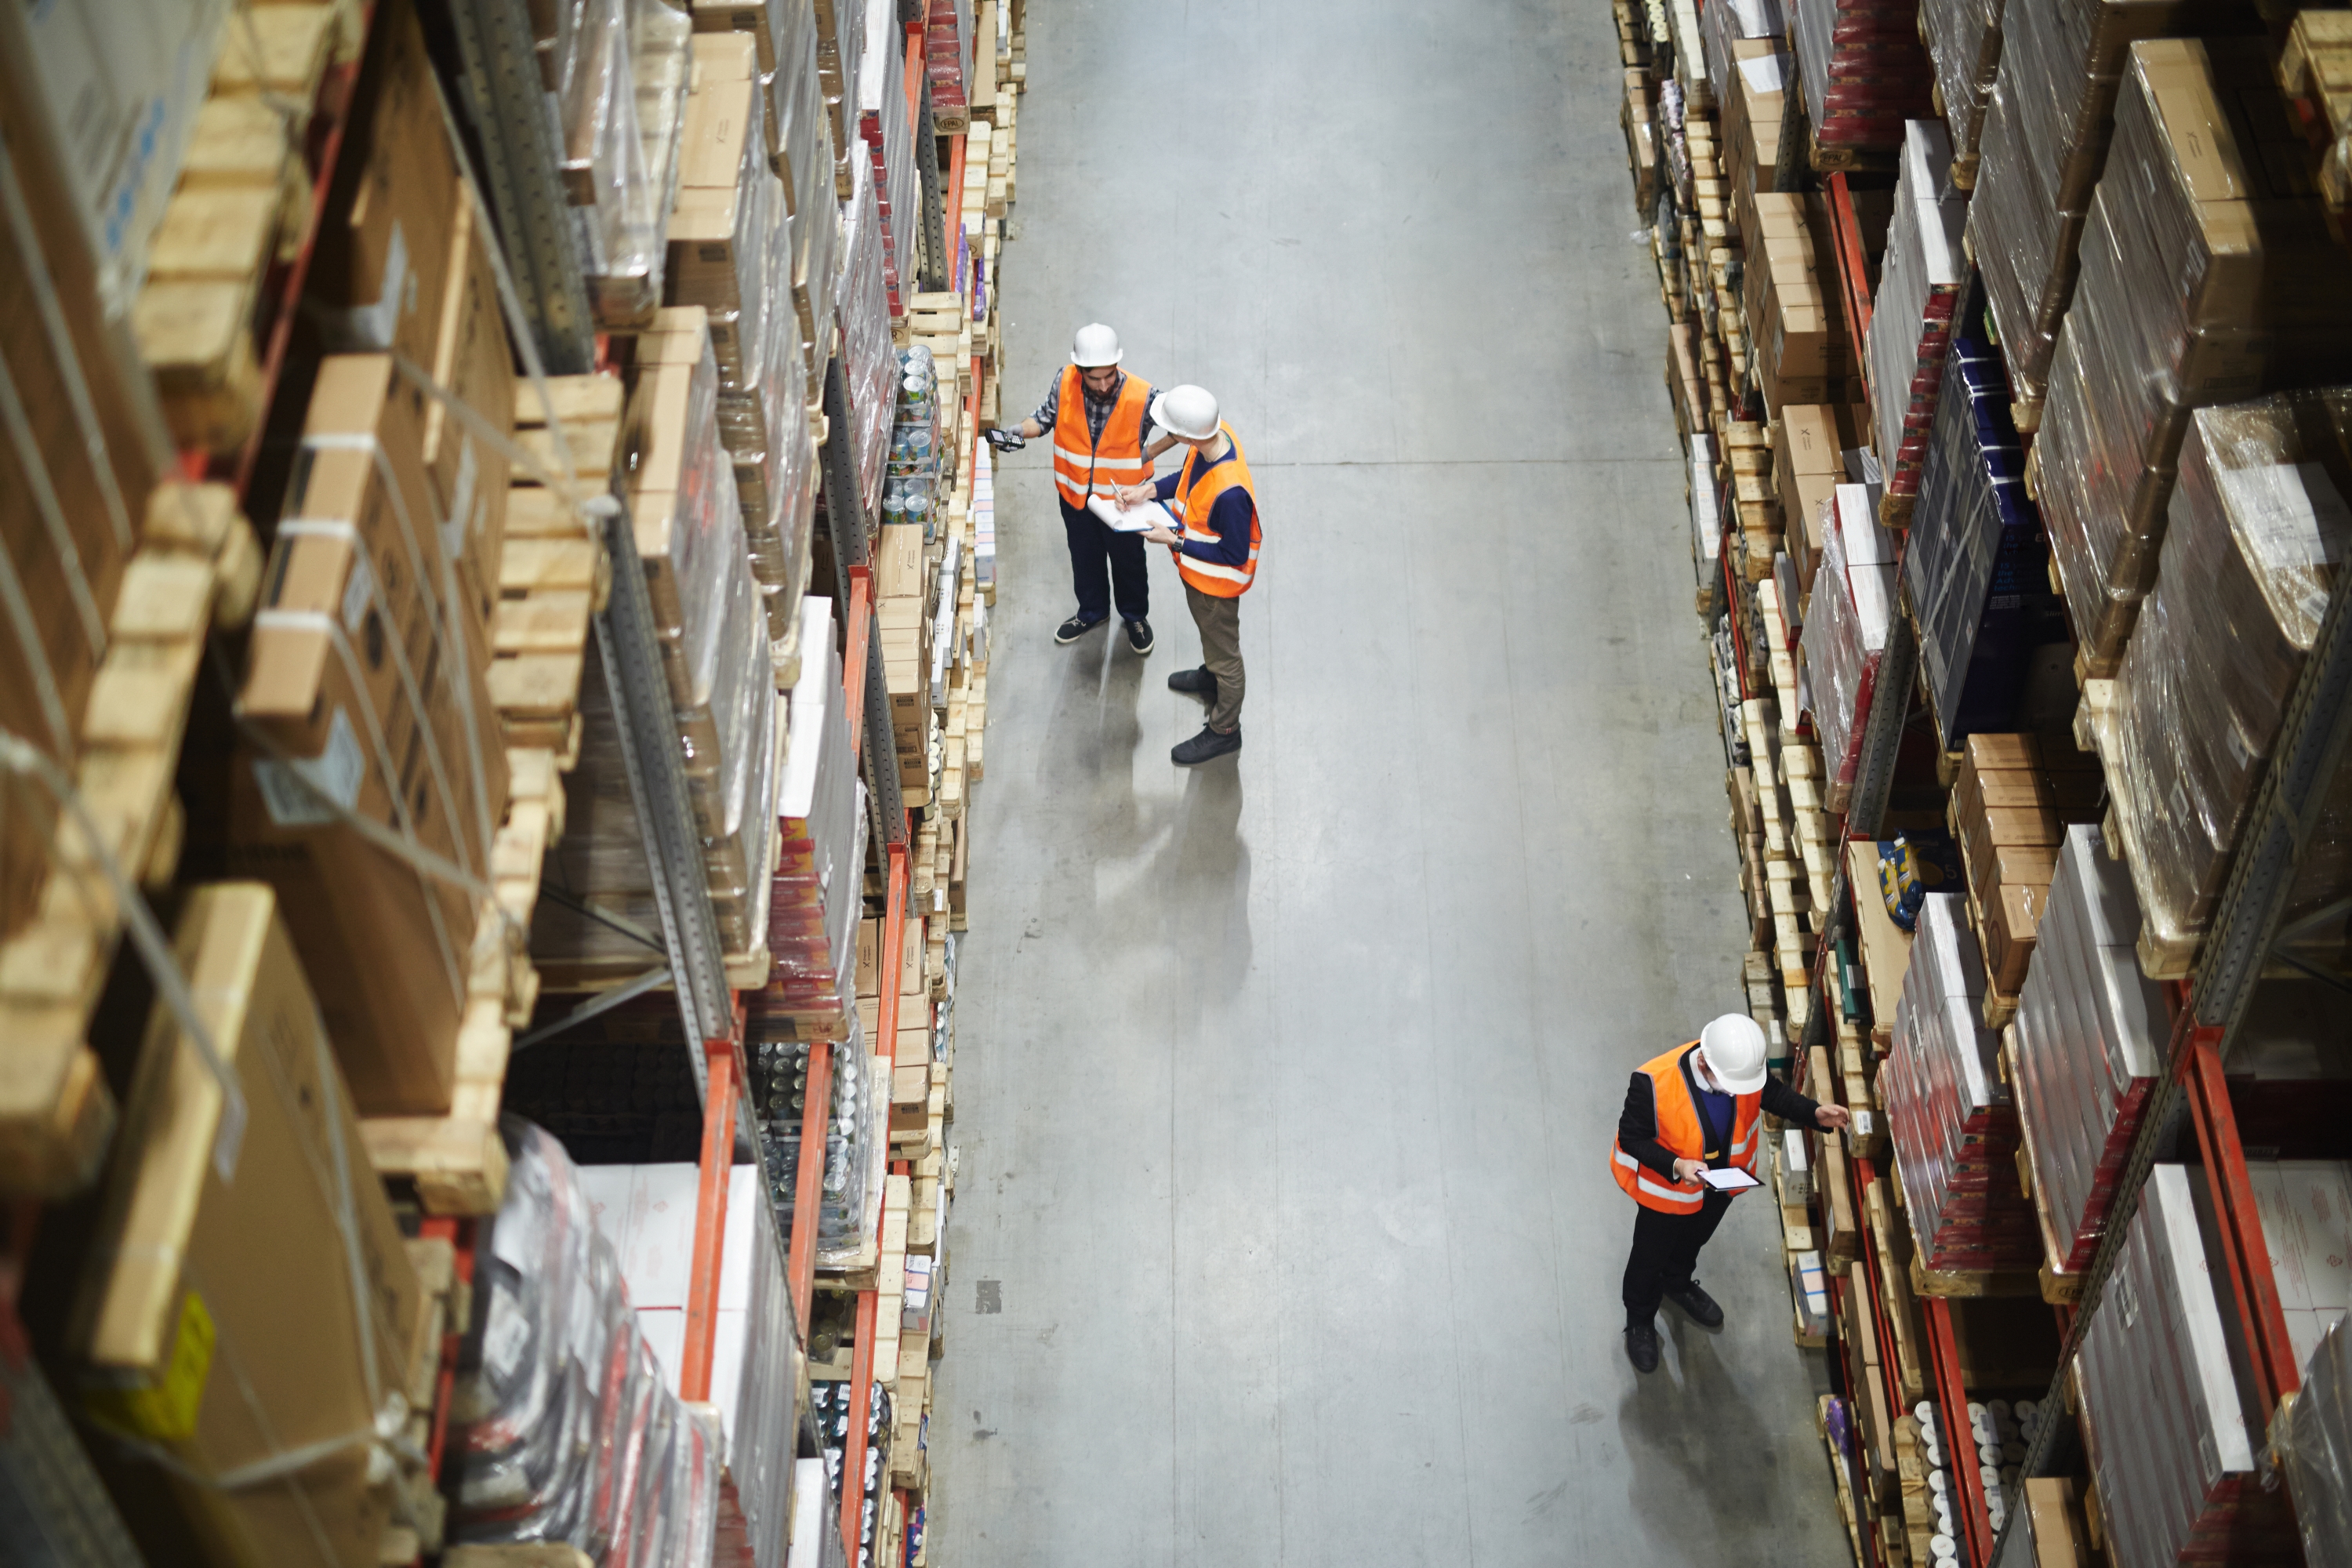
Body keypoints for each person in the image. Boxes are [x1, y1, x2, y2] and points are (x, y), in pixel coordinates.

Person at [1613, 1013, 1850, 1374]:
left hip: (1719, 1186)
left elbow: (1769, 1092)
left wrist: (1814, 1113)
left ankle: (1677, 1284)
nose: (1736, 1093)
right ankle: (1640, 1320)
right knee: (1649, 1258)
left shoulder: (1739, 1069)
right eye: (1729, 1087)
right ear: (1705, 1061)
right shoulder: (1652, 1082)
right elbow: (1632, 1138)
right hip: (1668, 1194)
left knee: (1692, 1242)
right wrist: (1677, 1166)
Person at [989, 324, 1175, 652]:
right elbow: (1043, 418)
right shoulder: (1065, 381)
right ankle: (1092, 612)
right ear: (1079, 369)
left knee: (1128, 562)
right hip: (1075, 497)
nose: (1103, 385)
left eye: (1109, 375)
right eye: (1094, 377)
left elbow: (1182, 424)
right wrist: (1019, 430)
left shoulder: (1143, 395)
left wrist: (1148, 452)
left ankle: (1134, 616)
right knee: (1084, 559)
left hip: (1123, 503)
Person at [1113, 384, 1258, 767]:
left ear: (1189, 434)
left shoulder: (1231, 493)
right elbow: (1188, 476)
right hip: (1199, 580)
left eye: (1171, 432)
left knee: (1226, 656)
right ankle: (1210, 678)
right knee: (1213, 641)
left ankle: (1225, 729)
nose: (1168, 437)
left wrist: (1174, 540)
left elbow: (1233, 553)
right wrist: (1149, 490)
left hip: (1216, 587)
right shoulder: (1215, 435)